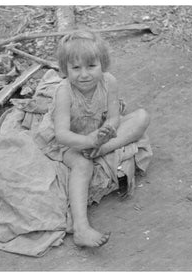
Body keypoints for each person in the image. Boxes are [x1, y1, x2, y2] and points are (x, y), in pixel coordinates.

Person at [44, 30, 151, 248]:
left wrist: (104, 134)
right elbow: (61, 134)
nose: (84, 74)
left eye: (91, 66)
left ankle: (101, 151)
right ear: (65, 70)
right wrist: (87, 142)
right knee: (83, 164)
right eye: (76, 68)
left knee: (142, 117)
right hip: (70, 142)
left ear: (103, 64)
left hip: (97, 136)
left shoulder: (109, 82)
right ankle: (81, 228)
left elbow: (113, 118)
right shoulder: (64, 92)